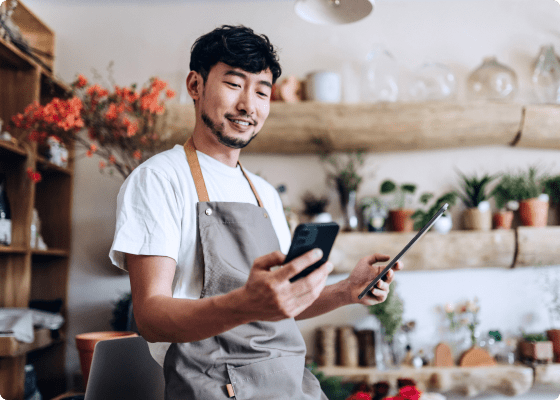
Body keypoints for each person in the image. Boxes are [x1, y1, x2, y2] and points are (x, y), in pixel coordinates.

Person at [109, 25, 402, 400]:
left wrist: (347, 290)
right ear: (195, 85)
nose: (249, 105)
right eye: (234, 84)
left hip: (289, 384)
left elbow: (283, 307)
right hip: (214, 386)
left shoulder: (263, 193)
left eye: (262, 91)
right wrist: (244, 304)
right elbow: (150, 316)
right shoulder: (158, 179)